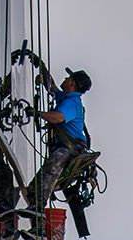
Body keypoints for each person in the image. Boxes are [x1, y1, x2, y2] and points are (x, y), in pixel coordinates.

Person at [33, 65, 92, 207]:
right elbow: (52, 87)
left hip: (70, 148)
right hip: (68, 147)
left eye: (68, 78)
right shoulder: (66, 97)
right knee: (34, 188)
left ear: (72, 82)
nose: (65, 79)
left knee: (49, 172)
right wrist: (39, 64)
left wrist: (38, 114)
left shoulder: (71, 103)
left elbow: (59, 117)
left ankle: (37, 207)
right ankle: (34, 203)